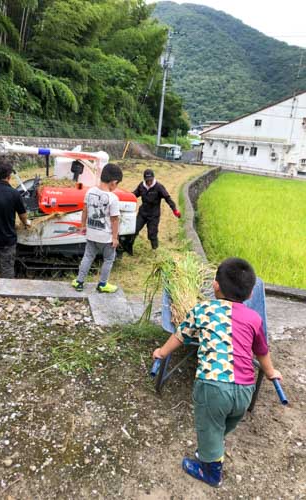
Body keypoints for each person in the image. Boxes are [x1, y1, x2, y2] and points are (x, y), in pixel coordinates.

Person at [152, 257, 282, 488]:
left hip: (213, 385)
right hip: (245, 388)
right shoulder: (254, 318)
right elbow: (262, 350)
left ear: (215, 285)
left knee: (209, 426)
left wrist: (161, 352)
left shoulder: (203, 309)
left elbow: (179, 336)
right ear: (251, 294)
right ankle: (214, 446)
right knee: (226, 422)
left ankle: (210, 470)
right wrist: (271, 372)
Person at [71, 163, 123, 293]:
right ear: (113, 182)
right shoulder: (113, 198)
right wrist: (115, 238)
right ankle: (102, 284)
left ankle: (79, 281)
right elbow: (115, 219)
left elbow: (85, 210)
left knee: (88, 257)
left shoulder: (90, 191)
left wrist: (83, 226)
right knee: (109, 259)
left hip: (91, 233)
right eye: (117, 184)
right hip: (106, 237)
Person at [131, 169, 181, 251]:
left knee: (152, 234)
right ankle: (129, 248)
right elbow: (134, 195)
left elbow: (167, 198)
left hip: (154, 215)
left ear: (153, 178)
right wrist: (125, 196)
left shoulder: (159, 187)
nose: (149, 182)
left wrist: (174, 210)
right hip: (142, 213)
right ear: (144, 179)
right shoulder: (141, 186)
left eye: (151, 180)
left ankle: (155, 250)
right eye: (147, 180)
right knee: (134, 230)